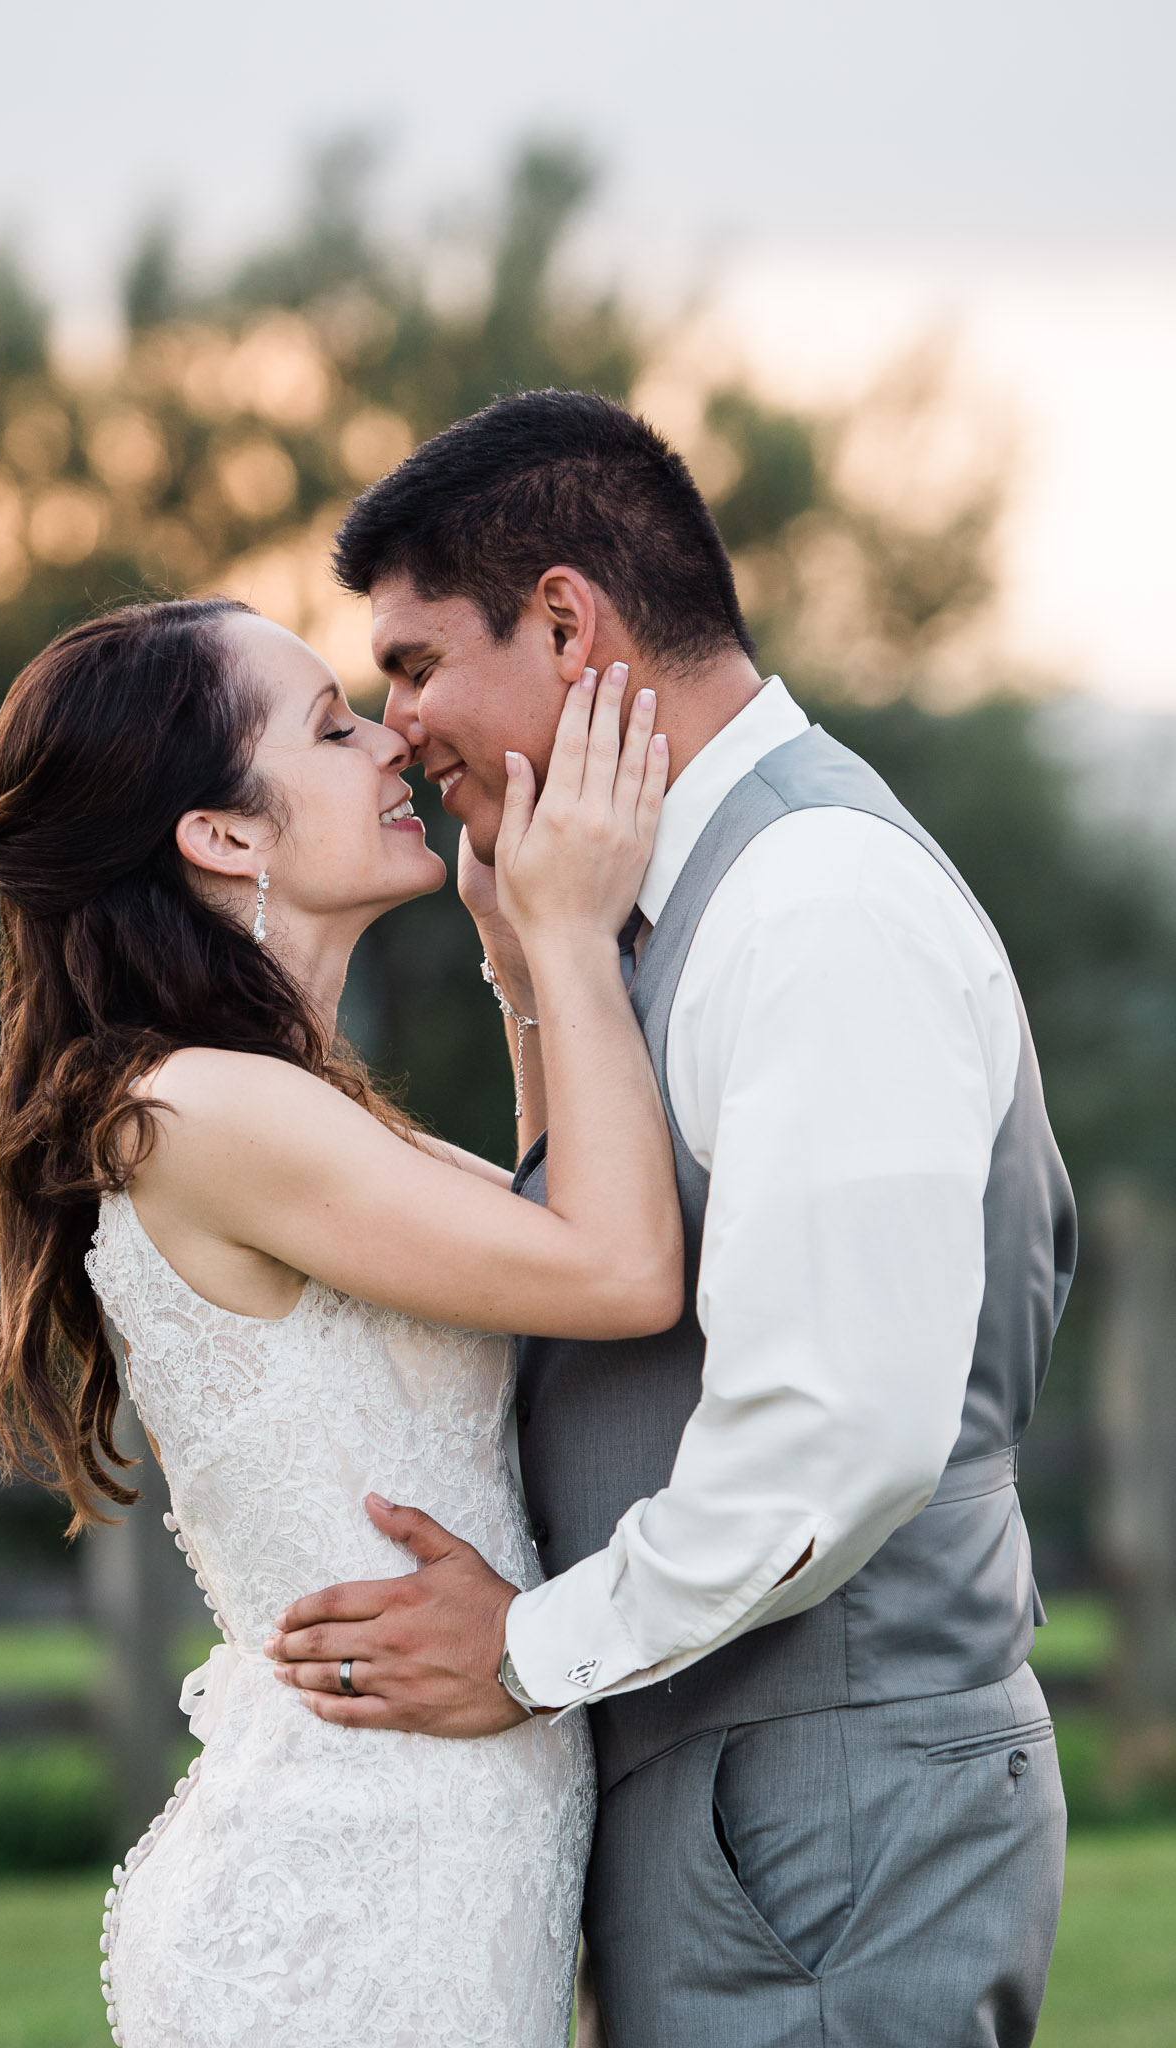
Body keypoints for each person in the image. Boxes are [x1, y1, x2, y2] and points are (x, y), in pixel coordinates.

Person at [269, 390, 1076, 2048]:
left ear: (566, 622)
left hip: (825, 1819)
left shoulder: (815, 904)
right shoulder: (656, 912)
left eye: (416, 666)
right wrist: (535, 977)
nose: (401, 725)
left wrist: (525, 1651)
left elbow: (836, 1433)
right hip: (746, 1798)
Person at [0, 595, 682, 2047]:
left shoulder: (279, 1101)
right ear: (224, 834)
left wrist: (519, 958)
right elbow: (621, 1274)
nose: (393, 742)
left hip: (440, 1856)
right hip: (354, 1891)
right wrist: (573, 932)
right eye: (333, 727)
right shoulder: (204, 1109)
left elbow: (551, 1250)